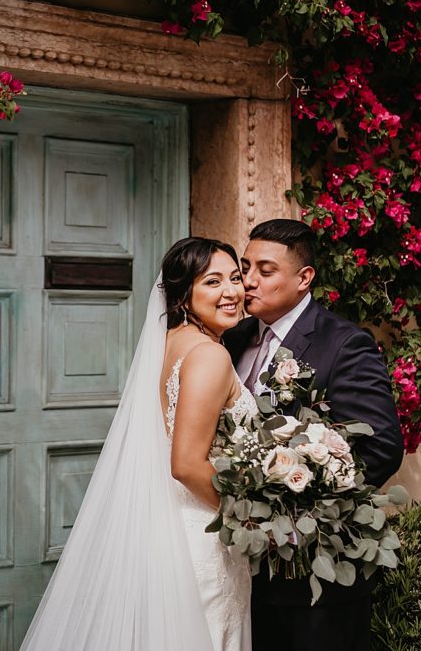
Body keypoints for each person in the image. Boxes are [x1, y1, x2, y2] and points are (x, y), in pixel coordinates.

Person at [21, 237, 256, 650]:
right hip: (203, 536)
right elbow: (184, 463)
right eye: (213, 282)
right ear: (184, 295)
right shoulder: (210, 356)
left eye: (235, 278)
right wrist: (249, 519)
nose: (231, 291)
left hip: (168, 530)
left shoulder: (168, 345)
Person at [222, 218, 403, 651]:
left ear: (304, 279)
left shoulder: (344, 344)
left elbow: (379, 448)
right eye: (245, 268)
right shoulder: (234, 338)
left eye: (265, 271)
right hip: (245, 569)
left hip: (311, 573)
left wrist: (293, 504)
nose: (248, 282)